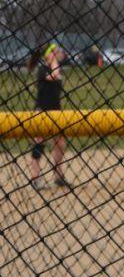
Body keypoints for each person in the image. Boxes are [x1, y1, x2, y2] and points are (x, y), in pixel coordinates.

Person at [28, 42, 71, 190]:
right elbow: (54, 76)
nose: (60, 52)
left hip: (55, 111)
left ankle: (58, 177)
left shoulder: (56, 68)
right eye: (57, 50)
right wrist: (52, 60)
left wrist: (54, 61)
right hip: (42, 111)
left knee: (60, 143)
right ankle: (35, 178)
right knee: (39, 143)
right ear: (50, 54)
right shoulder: (43, 69)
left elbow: (57, 76)